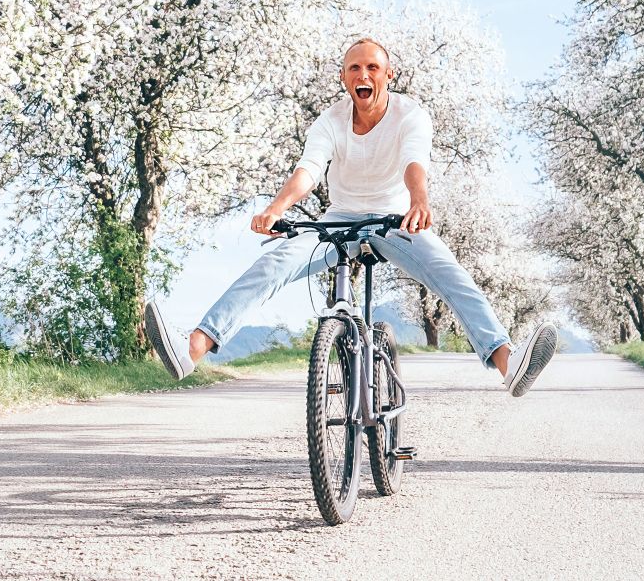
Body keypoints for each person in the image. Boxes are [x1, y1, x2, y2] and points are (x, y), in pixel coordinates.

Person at [144, 37, 557, 397]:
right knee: (272, 264)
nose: (364, 74)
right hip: (338, 219)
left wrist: (418, 201)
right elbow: (309, 169)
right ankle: (193, 349)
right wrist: (276, 208)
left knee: (447, 273)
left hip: (395, 219)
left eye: (373, 67)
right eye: (354, 68)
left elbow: (415, 161)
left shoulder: (411, 115)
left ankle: (507, 363)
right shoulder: (331, 121)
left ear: (388, 75)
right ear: (344, 78)